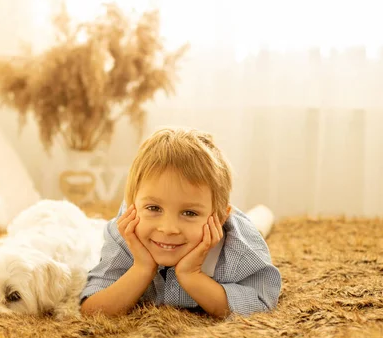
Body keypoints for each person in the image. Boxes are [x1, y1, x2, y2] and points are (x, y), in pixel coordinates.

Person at [80, 127, 281, 318]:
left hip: (238, 227)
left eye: (189, 213)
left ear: (219, 219)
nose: (168, 229)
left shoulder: (238, 246)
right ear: (133, 205)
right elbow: (92, 309)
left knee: (257, 223)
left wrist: (191, 275)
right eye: (153, 208)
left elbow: (261, 302)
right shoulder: (124, 234)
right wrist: (142, 268)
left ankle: (264, 214)